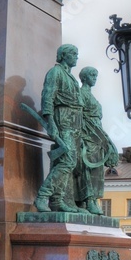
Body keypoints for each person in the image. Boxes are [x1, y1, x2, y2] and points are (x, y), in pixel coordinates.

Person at [35, 44, 85, 213]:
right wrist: (51, 123)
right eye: (74, 53)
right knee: (68, 161)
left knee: (66, 162)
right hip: (62, 120)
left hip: (74, 123)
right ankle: (43, 195)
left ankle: (57, 200)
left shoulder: (70, 77)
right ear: (64, 55)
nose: (76, 57)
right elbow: (47, 96)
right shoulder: (55, 72)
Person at [76, 67, 119, 215]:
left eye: (96, 75)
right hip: (88, 134)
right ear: (84, 77)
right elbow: (78, 116)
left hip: (97, 134)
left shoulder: (91, 96)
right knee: (88, 168)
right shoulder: (81, 93)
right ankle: (87, 200)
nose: (95, 77)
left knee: (97, 170)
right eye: (92, 75)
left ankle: (93, 200)